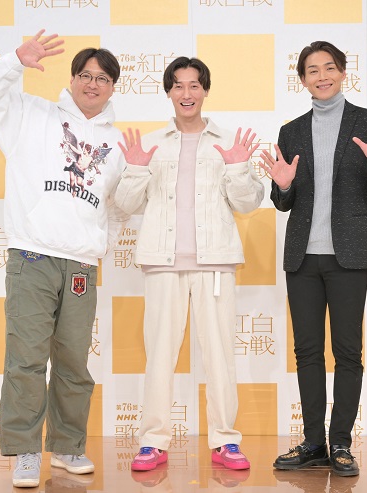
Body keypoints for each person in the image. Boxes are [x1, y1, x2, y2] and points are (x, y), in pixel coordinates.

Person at [0, 30, 128, 488]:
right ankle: (25, 451)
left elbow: (117, 208)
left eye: (102, 78)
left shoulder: (118, 145)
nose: (93, 84)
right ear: (73, 79)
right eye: (85, 75)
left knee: (74, 362)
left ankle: (66, 446)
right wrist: (14, 61)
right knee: (25, 359)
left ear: (113, 87)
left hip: (81, 265)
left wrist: (98, 242)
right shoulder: (32, 114)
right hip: (33, 257)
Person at [114, 56, 264, 473]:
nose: (186, 93)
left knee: (220, 356)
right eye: (178, 85)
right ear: (168, 92)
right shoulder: (151, 144)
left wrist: (237, 166)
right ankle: (152, 442)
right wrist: (135, 169)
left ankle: (225, 440)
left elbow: (248, 203)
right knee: (160, 355)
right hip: (162, 264)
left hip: (215, 264)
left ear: (205, 90)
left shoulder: (227, 142)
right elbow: (124, 204)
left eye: (194, 85)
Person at [261, 41, 367, 477]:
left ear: (342, 72)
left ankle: (341, 443)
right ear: (302, 80)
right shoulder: (291, 131)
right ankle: (313, 443)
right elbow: (283, 201)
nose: (321, 76)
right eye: (312, 70)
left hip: (349, 257)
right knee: (307, 352)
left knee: (347, 352)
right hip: (302, 258)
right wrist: (283, 186)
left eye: (329, 68)